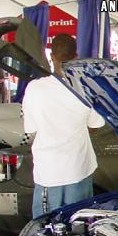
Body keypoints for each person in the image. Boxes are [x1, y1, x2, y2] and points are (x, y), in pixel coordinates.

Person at [22, 34, 105, 218]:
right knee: (78, 224)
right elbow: (95, 125)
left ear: (51, 56)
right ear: (76, 56)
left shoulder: (34, 88)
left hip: (49, 171)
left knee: (46, 227)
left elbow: (31, 128)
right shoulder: (86, 89)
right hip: (79, 168)